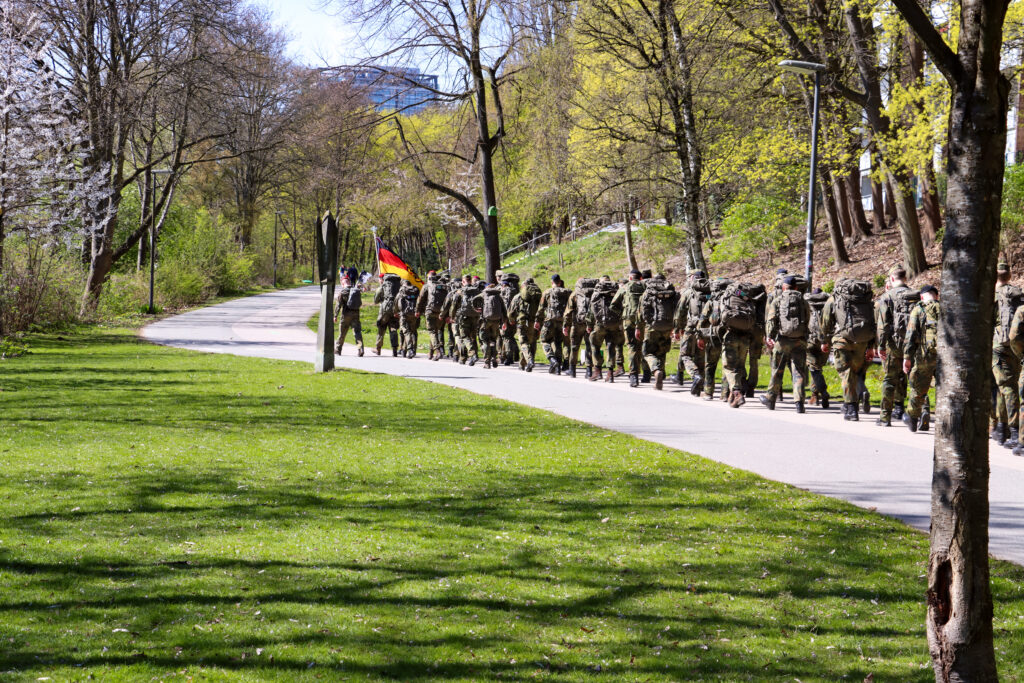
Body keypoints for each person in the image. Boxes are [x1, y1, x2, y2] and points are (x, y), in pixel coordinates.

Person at [820, 278, 877, 421]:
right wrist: (871, 346)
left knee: (846, 373)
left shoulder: (835, 299)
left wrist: (824, 341)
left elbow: (826, 321)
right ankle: (858, 395)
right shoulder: (866, 299)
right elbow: (873, 322)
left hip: (842, 340)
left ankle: (851, 407)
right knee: (856, 372)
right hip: (862, 341)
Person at [874, 266, 918, 426]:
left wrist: (880, 345)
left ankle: (885, 417)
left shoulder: (887, 297)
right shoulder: (916, 295)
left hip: (893, 345)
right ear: (906, 278)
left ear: (892, 279)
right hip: (913, 345)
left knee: (890, 379)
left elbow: (883, 325)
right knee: (915, 380)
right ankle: (917, 414)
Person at [762, 276, 810, 412]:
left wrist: (769, 336)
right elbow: (807, 319)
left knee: (778, 370)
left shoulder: (778, 300)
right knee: (799, 371)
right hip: (800, 340)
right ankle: (799, 403)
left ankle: (771, 399)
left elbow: (771, 320)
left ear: (783, 287)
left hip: (783, 340)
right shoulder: (803, 301)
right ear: (796, 287)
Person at [991, 261, 1022, 445]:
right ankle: (1001, 429)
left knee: (1006, 387)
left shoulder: (992, 296)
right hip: (1017, 345)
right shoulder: (1019, 294)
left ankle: (1014, 429)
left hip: (998, 345)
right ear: (1009, 276)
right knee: (1006, 386)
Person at [902, 285, 940, 432]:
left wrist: (907, 357)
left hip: (925, 355)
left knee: (918, 388)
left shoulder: (918, 309)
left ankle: (913, 418)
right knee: (942, 389)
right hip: (945, 356)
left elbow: (911, 334)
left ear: (922, 296)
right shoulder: (946, 309)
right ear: (936, 296)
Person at [638, 274, 679, 390]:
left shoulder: (648, 292)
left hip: (652, 327)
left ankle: (656, 371)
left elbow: (642, 311)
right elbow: (678, 310)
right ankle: (660, 373)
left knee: (646, 352)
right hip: (668, 326)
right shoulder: (672, 293)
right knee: (661, 351)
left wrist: (644, 324)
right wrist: (675, 326)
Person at [674, 270, 711, 394]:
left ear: (693, 278)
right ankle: (699, 388)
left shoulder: (689, 292)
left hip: (692, 327)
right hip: (707, 328)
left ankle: (695, 376)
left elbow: (680, 312)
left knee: (685, 355)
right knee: (701, 357)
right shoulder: (712, 291)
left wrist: (677, 328)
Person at [698, 278, 732, 401]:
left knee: (710, 365)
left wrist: (700, 336)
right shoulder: (732, 298)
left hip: (714, 336)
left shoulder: (714, 300)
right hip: (730, 336)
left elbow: (703, 319)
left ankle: (708, 392)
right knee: (726, 366)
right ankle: (725, 394)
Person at [588, 275, 625, 382]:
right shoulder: (617, 290)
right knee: (611, 346)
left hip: (600, 324)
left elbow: (592, 309)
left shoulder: (597, 291)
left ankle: (597, 371)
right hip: (614, 324)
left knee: (595, 346)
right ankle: (610, 373)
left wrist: (589, 324)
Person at [563, 278, 598, 378]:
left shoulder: (575, 295)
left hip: (577, 324)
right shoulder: (593, 293)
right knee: (589, 346)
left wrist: (566, 325)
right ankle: (589, 371)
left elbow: (568, 312)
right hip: (590, 324)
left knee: (574, 347)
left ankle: (572, 370)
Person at [445, 274, 483, 365]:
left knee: (464, 337)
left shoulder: (460, 291)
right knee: (473, 337)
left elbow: (454, 305)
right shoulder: (477, 291)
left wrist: (452, 317)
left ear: (463, 281)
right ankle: (467, 358)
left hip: (463, 317)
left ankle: (472, 354)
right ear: (470, 281)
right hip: (475, 317)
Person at [536, 274, 570, 374]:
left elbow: (541, 308)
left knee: (544, 340)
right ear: (560, 282)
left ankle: (552, 359)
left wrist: (537, 320)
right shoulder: (567, 292)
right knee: (558, 342)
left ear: (552, 282)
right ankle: (558, 367)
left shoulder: (547, 292)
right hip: (562, 321)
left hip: (549, 321)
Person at [619, 270, 647, 387]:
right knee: (641, 345)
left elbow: (613, 304)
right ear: (641, 278)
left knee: (632, 347)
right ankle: (647, 373)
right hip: (643, 321)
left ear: (630, 278)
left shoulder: (625, 288)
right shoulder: (646, 287)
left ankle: (634, 375)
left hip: (629, 320)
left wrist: (623, 313)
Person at [508, 277, 543, 371]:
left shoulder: (518, 296)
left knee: (523, 343)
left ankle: (529, 360)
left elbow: (511, 312)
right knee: (532, 342)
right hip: (534, 322)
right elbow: (542, 310)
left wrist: (511, 320)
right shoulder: (538, 296)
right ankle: (522, 364)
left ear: (524, 286)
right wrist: (540, 322)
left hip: (522, 322)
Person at [805, 288, 831, 409]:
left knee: (814, 368)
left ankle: (822, 392)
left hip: (810, 341)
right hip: (826, 342)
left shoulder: (807, 304)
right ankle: (814, 395)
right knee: (817, 367)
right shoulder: (829, 303)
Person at [416, 270, 449, 361]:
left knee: (431, 332)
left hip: (430, 311)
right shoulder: (443, 286)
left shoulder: (427, 286)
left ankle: (437, 351)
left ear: (429, 277)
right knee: (435, 331)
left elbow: (420, 299)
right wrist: (447, 314)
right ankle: (430, 353)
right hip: (441, 312)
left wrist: (417, 310)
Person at [479, 282, 509, 368]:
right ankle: (494, 358)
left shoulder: (483, 295)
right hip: (496, 321)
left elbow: (474, 302)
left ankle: (487, 362)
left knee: (485, 341)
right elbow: (504, 309)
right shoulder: (498, 296)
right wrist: (504, 322)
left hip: (485, 321)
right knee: (493, 340)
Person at [333, 275, 364, 357]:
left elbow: (338, 305)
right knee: (357, 332)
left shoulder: (343, 292)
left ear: (342, 283)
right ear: (349, 282)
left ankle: (338, 349)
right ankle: (360, 349)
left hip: (346, 315)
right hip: (356, 314)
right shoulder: (356, 290)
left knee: (342, 333)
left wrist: (335, 316)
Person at [373, 273, 403, 356]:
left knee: (381, 327)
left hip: (385, 310)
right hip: (395, 309)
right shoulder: (398, 287)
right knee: (393, 328)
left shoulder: (382, 287)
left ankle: (378, 349)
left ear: (382, 279)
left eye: (379, 279)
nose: (379, 280)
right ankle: (395, 350)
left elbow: (375, 301)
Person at [498, 272, 521, 365]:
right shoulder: (515, 291)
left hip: (506, 317)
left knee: (506, 337)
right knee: (510, 336)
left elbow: (506, 306)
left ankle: (509, 357)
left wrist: (504, 319)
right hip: (515, 317)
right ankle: (515, 352)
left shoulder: (505, 291)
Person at [396, 279, 421, 357]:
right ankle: (412, 350)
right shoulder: (416, 290)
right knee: (413, 331)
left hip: (404, 314)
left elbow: (396, 301)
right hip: (414, 314)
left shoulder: (402, 290)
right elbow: (420, 301)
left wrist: (395, 312)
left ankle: (409, 349)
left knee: (406, 332)